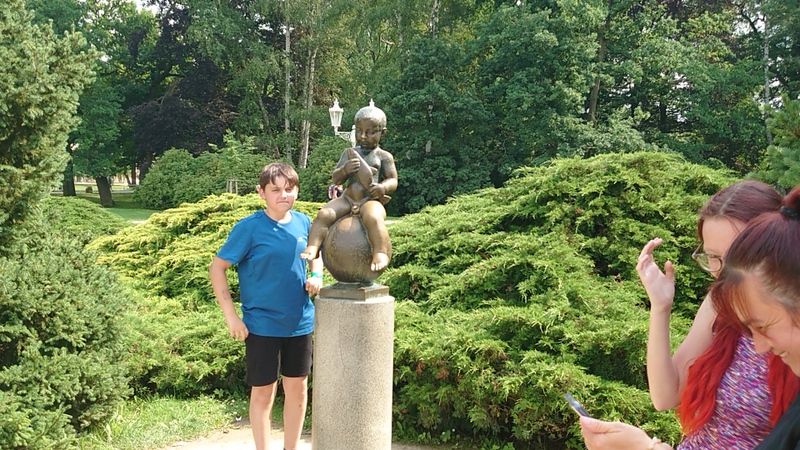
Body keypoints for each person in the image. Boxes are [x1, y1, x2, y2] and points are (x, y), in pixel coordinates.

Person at [580, 184, 800, 450]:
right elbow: (666, 395)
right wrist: (660, 306)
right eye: (713, 257)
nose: (723, 274)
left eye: (736, 258)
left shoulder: (791, 341)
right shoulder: (718, 305)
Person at [209, 162, 323, 450]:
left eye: (289, 189)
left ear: (296, 190)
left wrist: (317, 276)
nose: (283, 195)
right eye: (275, 190)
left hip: (299, 323)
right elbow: (217, 268)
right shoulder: (248, 228)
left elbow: (315, 254)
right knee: (263, 392)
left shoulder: (304, 222)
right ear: (261, 192)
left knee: (298, 390)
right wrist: (231, 317)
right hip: (262, 326)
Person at [300, 102, 397, 272]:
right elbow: (336, 179)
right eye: (359, 131)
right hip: (347, 198)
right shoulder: (349, 153)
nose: (363, 136)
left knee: (373, 218)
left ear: (382, 132)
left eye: (370, 132)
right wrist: (345, 170)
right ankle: (313, 246)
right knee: (325, 214)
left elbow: (393, 180)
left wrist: (382, 188)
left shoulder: (384, 156)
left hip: (369, 200)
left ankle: (380, 251)